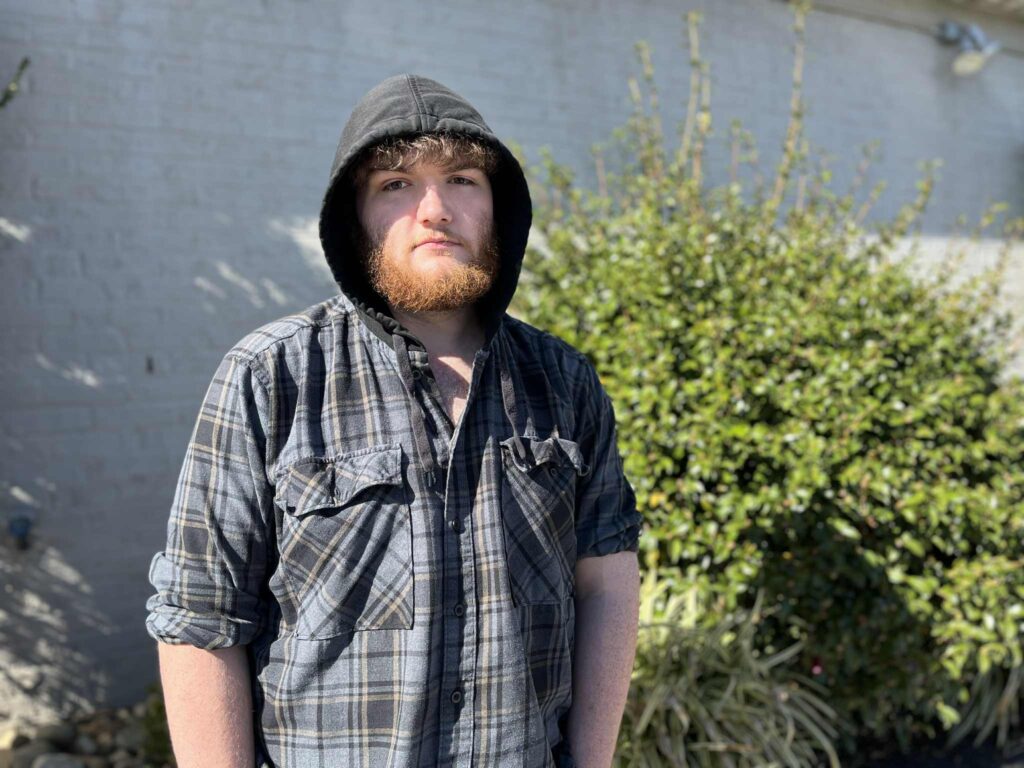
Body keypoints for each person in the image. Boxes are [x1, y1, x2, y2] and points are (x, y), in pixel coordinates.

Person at [145, 73, 643, 768]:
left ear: (500, 205)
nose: (434, 209)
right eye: (396, 185)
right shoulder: (271, 377)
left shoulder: (562, 382)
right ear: (355, 218)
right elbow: (200, 617)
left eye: (463, 179)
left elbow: (608, 583)